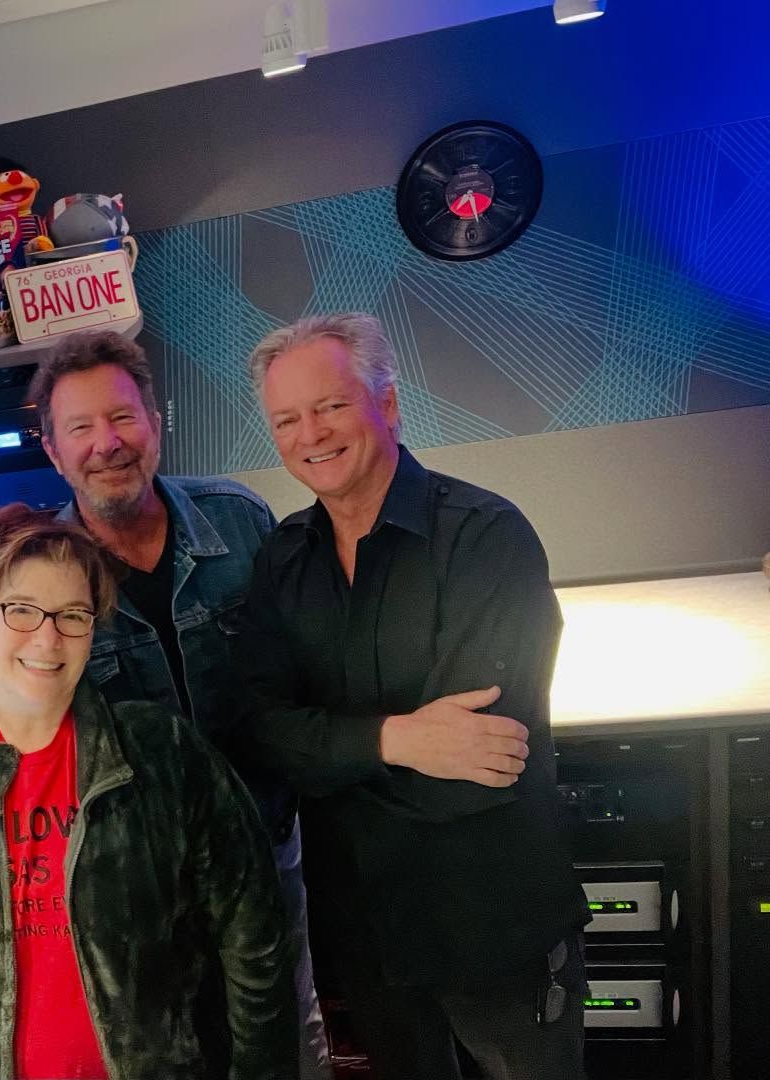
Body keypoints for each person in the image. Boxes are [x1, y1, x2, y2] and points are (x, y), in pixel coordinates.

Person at [237, 312, 590, 1080]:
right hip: (368, 938)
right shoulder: (282, 560)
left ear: (388, 404)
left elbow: (480, 761)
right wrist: (396, 740)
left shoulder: (485, 536)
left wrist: (329, 757)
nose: (310, 434)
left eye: (331, 406)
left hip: (493, 926)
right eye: (287, 419)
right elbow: (261, 733)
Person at [0, 505, 298, 1080]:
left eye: (72, 615)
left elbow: (254, 936)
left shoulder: (164, 754)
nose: (48, 638)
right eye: (21, 610)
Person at [31, 329, 330, 1079]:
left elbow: (304, 673)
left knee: (288, 1048)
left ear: (155, 424)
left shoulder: (240, 520)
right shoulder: (43, 576)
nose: (107, 443)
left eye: (121, 417)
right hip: (141, 892)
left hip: (267, 857)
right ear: (54, 452)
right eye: (81, 428)